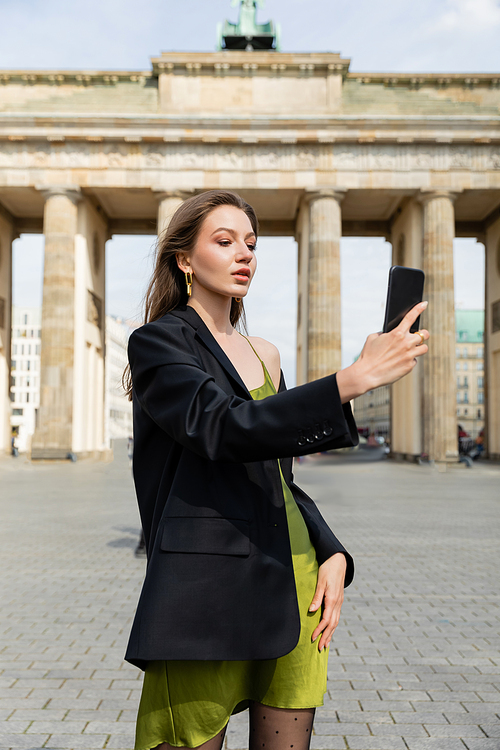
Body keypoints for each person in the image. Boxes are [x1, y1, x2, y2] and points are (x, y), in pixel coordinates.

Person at [123, 190, 429, 750]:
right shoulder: (158, 343)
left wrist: (331, 547)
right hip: (205, 588)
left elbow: (280, 475)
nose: (244, 254)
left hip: (296, 576)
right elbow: (222, 428)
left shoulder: (266, 354)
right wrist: (348, 381)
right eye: (224, 241)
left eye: (251, 243)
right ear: (184, 260)